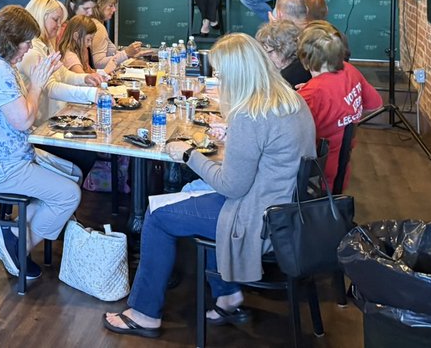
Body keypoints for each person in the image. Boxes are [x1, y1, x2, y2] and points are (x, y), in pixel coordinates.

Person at [103, 33, 316, 337]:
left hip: (256, 218)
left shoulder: (250, 114)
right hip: (283, 207)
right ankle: (227, 294)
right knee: (193, 196)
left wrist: (188, 154)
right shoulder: (286, 98)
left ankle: (144, 313)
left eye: (221, 73)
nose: (219, 78)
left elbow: (231, 187)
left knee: (157, 216)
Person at [0, 5, 81, 282]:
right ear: (11, 40)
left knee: (72, 172)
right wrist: (37, 84)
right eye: (26, 42)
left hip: (7, 157)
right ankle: (17, 243)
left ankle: (13, 231)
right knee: (69, 194)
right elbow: (25, 119)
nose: (28, 48)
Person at [296, 22, 382, 187]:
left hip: (317, 171)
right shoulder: (350, 69)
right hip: (342, 165)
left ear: (305, 61)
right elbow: (375, 103)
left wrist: (305, 95)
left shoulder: (311, 94)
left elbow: (292, 136)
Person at [20, 0, 102, 122]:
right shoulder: (30, 51)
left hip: (53, 117)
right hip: (38, 124)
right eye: (55, 19)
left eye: (61, 21)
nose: (59, 25)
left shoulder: (46, 44)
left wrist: (85, 78)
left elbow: (63, 74)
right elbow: (51, 88)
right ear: (41, 17)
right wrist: (90, 94)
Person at [89, 0, 143, 73]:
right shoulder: (98, 27)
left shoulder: (95, 23)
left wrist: (131, 54)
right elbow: (98, 63)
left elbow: (108, 55)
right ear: (99, 6)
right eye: (110, 5)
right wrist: (126, 53)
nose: (114, 9)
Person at [256, 20, 311, 88]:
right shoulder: (306, 64)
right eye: (263, 52)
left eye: (270, 52)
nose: (266, 57)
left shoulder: (289, 77)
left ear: (285, 49)